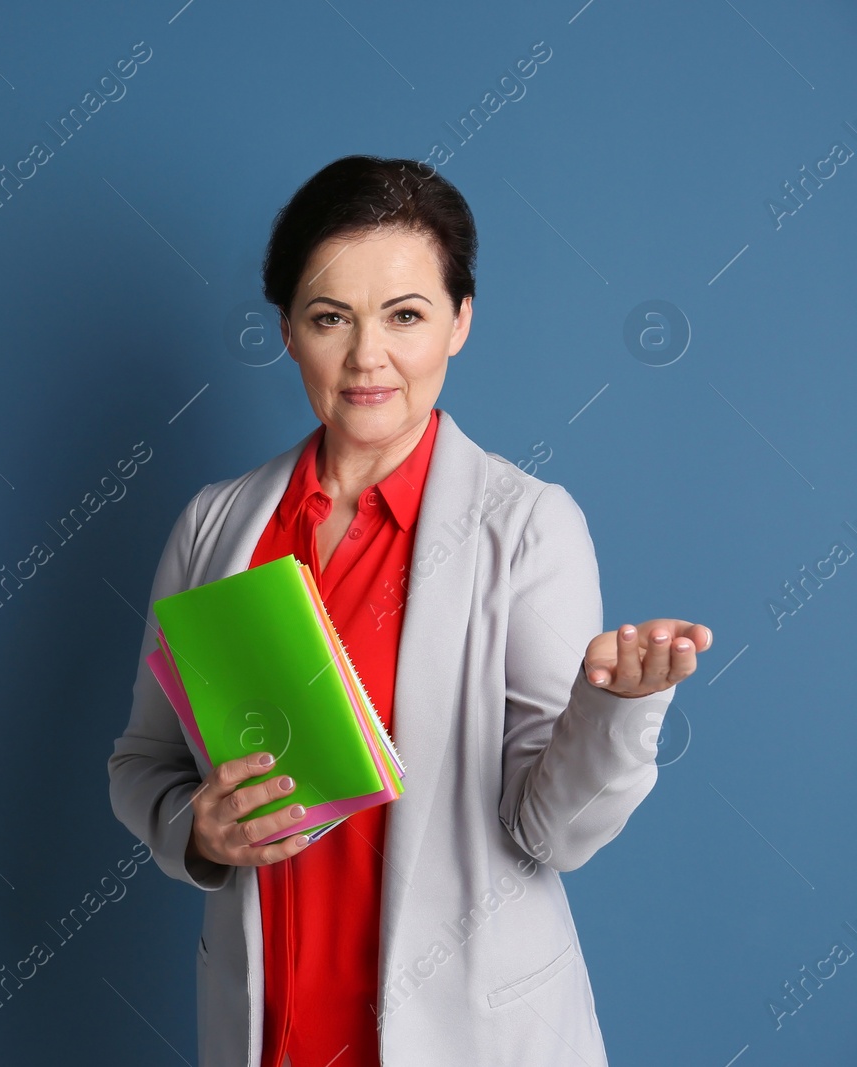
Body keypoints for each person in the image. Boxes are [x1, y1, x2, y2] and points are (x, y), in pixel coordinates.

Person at [107, 155, 710, 1067]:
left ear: (460, 322)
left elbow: (550, 830)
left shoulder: (526, 525)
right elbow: (141, 760)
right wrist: (195, 829)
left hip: (469, 1034)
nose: (366, 358)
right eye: (329, 318)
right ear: (286, 331)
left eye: (406, 316)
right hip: (273, 1029)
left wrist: (616, 712)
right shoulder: (217, 525)